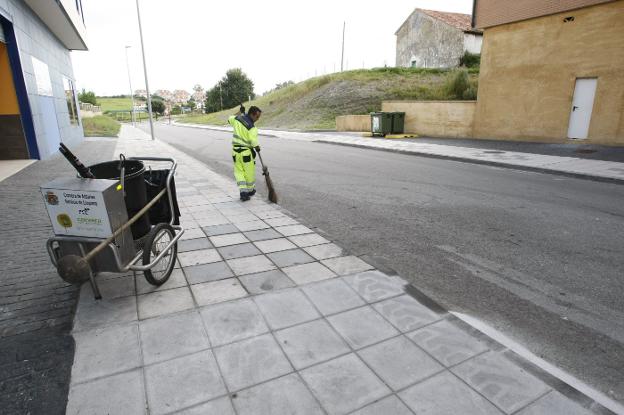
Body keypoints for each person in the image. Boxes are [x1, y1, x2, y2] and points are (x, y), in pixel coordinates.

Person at [228, 105, 262, 201]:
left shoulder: (237, 119)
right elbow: (253, 140)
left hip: (235, 152)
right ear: (251, 114)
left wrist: (240, 112)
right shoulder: (252, 128)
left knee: (239, 172)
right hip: (246, 153)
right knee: (249, 173)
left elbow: (229, 118)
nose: (257, 119)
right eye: (257, 117)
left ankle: (243, 192)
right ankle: (250, 190)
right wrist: (257, 147)